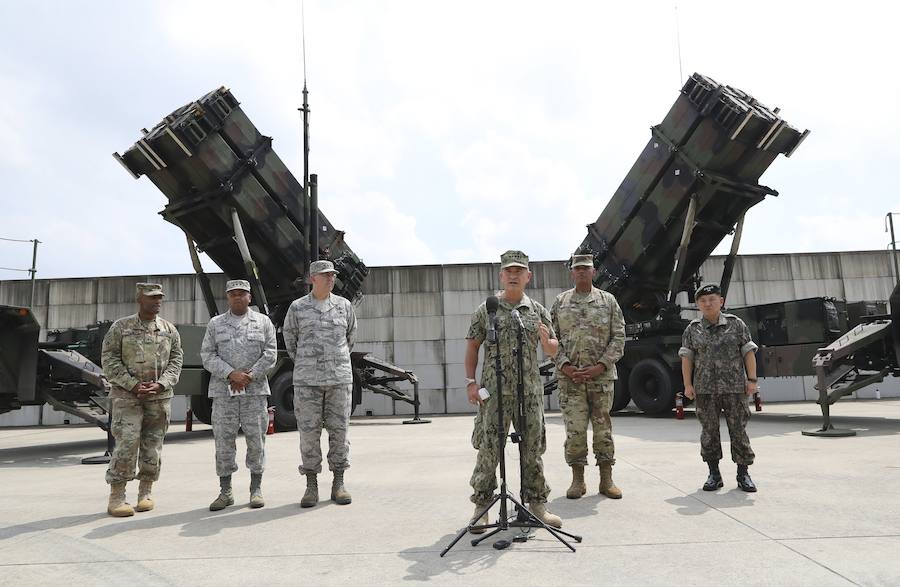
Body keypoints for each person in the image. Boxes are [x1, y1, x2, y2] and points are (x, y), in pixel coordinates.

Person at [465, 249, 562, 532]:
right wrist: (471, 382)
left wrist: (548, 344)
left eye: (519, 271)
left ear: (528, 277)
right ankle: (482, 507)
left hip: (529, 394)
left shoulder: (538, 311)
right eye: (509, 271)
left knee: (533, 449)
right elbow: (472, 346)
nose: (513, 275)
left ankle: (537, 506)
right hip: (493, 393)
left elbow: (554, 348)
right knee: (488, 450)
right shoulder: (487, 309)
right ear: (501, 275)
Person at [101, 282, 183, 517]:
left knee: (152, 446)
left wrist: (161, 384)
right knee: (127, 444)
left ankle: (145, 492)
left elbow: (177, 360)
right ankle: (117, 495)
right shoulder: (121, 327)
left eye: (159, 298)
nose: (157, 301)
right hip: (127, 398)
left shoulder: (168, 329)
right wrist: (134, 385)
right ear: (140, 299)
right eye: (151, 297)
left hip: (159, 398)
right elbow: (109, 359)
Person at [283, 260, 358, 508]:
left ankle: (339, 482)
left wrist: (334, 362)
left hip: (339, 379)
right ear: (312, 278)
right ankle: (311, 485)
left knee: (340, 432)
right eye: (326, 275)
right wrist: (307, 363)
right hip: (307, 381)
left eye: (333, 275)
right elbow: (290, 341)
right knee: (308, 433)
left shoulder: (344, 306)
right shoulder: (297, 308)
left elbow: (350, 339)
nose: (331, 279)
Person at [551, 254, 626, 500]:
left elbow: (619, 337)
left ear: (594, 272)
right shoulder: (560, 303)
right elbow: (552, 342)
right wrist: (565, 366)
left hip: (601, 379)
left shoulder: (608, 301)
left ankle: (606, 480)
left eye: (586, 269)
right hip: (570, 380)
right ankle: (578, 480)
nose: (582, 272)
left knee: (603, 430)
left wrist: (601, 366)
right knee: (575, 431)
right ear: (572, 273)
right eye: (577, 269)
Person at [201, 279, 277, 511]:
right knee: (223, 442)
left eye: (242, 293)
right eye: (233, 293)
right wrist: (230, 374)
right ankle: (226, 491)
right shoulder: (216, 324)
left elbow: (271, 353)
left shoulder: (263, 322)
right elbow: (207, 355)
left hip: (254, 392)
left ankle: (256, 489)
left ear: (249, 297)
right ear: (227, 297)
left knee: (256, 440)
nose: (237, 297)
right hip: (224, 393)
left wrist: (249, 375)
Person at [679, 283, 759, 492]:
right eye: (703, 301)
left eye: (712, 299)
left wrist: (752, 380)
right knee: (709, 432)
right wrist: (687, 385)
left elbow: (748, 353)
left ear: (721, 301)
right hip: (705, 390)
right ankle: (714, 474)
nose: (707, 303)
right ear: (697, 304)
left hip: (734, 388)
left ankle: (743, 474)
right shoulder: (692, 329)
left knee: (739, 431)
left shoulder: (736, 324)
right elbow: (687, 358)